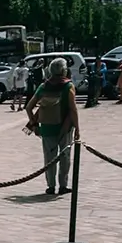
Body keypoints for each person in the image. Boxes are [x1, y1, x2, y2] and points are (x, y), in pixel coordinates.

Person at [25, 56, 79, 197]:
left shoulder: (43, 87)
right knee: (65, 157)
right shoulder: (68, 86)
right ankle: (63, 185)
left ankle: (50, 186)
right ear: (63, 70)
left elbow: (29, 107)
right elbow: (73, 109)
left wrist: (35, 125)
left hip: (47, 128)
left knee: (49, 159)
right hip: (64, 128)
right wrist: (78, 128)